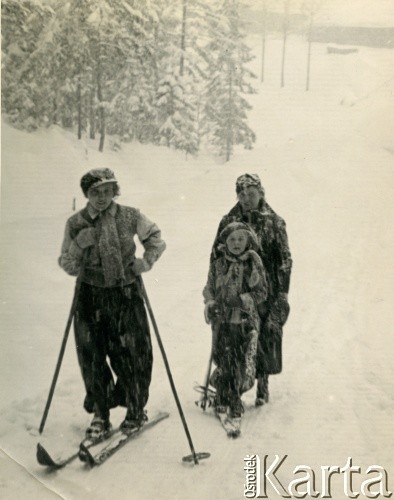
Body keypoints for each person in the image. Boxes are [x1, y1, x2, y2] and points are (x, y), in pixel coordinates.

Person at [59, 168, 166, 440]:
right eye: (95, 192)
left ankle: (135, 408)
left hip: (126, 293)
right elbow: (68, 265)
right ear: (87, 194)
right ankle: (100, 413)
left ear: (114, 191)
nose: (101, 197)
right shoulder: (76, 223)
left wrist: (146, 261)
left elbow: (156, 239)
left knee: (134, 352)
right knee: (92, 355)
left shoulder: (130, 215)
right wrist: (78, 246)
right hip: (90, 295)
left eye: (107, 191)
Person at [209, 174, 292, 406]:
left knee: (265, 335)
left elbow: (285, 260)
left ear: (261, 193)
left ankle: (262, 385)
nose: (246, 198)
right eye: (241, 194)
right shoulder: (228, 220)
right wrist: (215, 291)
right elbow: (215, 254)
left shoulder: (275, 222)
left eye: (251, 193)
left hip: (267, 291)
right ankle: (230, 384)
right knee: (232, 338)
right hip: (233, 288)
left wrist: (283, 293)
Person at [203, 221, 268, 418]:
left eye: (241, 239)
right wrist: (211, 303)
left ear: (249, 240)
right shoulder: (218, 265)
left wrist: (241, 300)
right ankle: (224, 394)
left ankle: (233, 397)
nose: (236, 243)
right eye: (231, 239)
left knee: (240, 360)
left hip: (244, 322)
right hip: (222, 322)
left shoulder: (253, 264)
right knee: (224, 358)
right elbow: (209, 288)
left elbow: (262, 292)